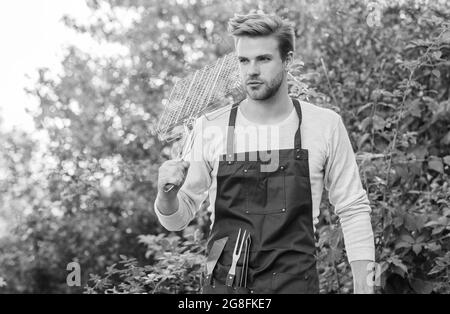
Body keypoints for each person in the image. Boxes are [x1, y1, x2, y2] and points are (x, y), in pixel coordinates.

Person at [154, 12, 375, 294]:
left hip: (295, 284)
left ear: (288, 60)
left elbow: (354, 210)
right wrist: (167, 195)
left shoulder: (324, 125)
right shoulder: (211, 127)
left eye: (264, 59)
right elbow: (178, 218)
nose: (252, 70)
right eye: (243, 60)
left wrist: (366, 288)